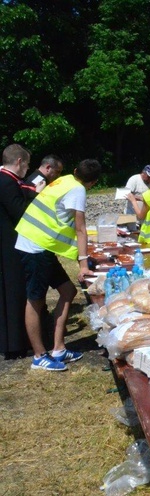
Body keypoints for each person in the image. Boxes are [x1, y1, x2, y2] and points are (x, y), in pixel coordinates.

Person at [15, 158, 101, 371]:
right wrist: (83, 264)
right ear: (93, 183)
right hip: (34, 246)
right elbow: (81, 228)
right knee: (35, 300)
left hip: (40, 243)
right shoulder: (78, 190)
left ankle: (59, 348)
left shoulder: (65, 180)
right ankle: (39, 356)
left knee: (68, 291)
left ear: (74, 170)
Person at [0, 144, 33, 360]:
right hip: (9, 245)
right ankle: (16, 344)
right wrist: (33, 195)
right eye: (27, 164)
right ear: (19, 161)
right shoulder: (7, 181)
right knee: (14, 293)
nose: (27, 170)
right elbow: (19, 211)